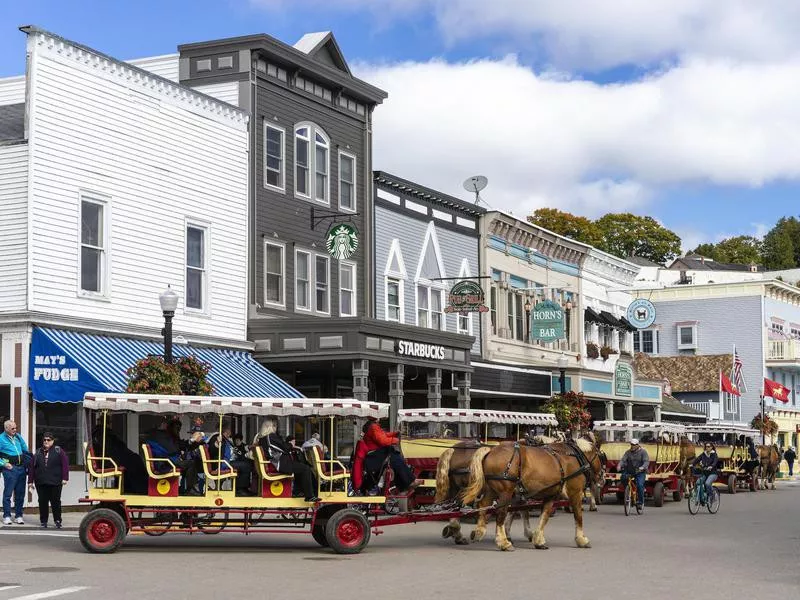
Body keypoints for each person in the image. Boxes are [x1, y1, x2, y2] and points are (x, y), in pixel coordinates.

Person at [258, 419, 319, 502]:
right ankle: (309, 496)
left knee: (300, 468)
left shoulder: (262, 438)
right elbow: (285, 447)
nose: (276, 428)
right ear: (270, 427)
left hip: (275, 463)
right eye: (274, 426)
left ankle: (299, 491)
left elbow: (280, 447)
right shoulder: (271, 436)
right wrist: (291, 444)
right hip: (280, 464)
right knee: (306, 469)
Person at [359, 417, 419, 493]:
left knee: (395, 459)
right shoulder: (373, 427)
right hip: (374, 457)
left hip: (373, 456)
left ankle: (404, 485)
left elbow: (383, 435)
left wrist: (395, 434)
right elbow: (383, 441)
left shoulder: (371, 426)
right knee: (395, 457)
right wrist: (396, 440)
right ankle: (408, 482)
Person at [146, 418, 203, 495]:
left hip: (169, 460)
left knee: (192, 462)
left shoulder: (169, 436)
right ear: (168, 426)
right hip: (163, 463)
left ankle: (187, 488)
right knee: (190, 463)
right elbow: (174, 449)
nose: (178, 431)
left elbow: (183, 446)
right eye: (177, 428)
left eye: (179, 429)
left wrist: (195, 442)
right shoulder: (161, 436)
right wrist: (192, 440)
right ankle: (190, 489)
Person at [27, 432, 69, 528]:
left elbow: (65, 465)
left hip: (55, 482)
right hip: (41, 482)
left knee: (56, 502)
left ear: (52, 441)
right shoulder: (37, 452)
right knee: (42, 502)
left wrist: (65, 478)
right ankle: (43, 521)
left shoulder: (59, 451)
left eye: (48, 440)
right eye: (44, 440)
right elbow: (32, 468)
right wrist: (30, 482)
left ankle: (57, 520)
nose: (46, 441)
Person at [207, 425, 253, 496]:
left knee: (247, 462)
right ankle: (240, 489)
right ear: (225, 431)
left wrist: (245, 453)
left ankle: (242, 487)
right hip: (222, 463)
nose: (230, 433)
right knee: (246, 466)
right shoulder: (216, 437)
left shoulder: (227, 439)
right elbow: (212, 450)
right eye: (228, 430)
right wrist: (217, 443)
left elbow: (237, 451)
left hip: (228, 461)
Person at [0, 420, 29, 525]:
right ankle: (7, 516)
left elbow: (25, 448)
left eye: (16, 428)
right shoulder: (1, 438)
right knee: (8, 493)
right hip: (10, 469)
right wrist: (4, 463)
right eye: (13, 428)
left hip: (21, 468)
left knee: (20, 494)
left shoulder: (17, 436)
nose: (15, 430)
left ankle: (18, 515)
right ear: (6, 428)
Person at [618, 438, 649, 510]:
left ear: (638, 445)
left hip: (640, 472)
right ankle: (628, 491)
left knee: (640, 485)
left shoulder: (643, 452)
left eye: (634, 445)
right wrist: (619, 465)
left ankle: (640, 502)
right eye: (631, 445)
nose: (632, 446)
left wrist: (642, 467)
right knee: (623, 477)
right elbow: (623, 460)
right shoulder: (628, 452)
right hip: (630, 470)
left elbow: (646, 462)